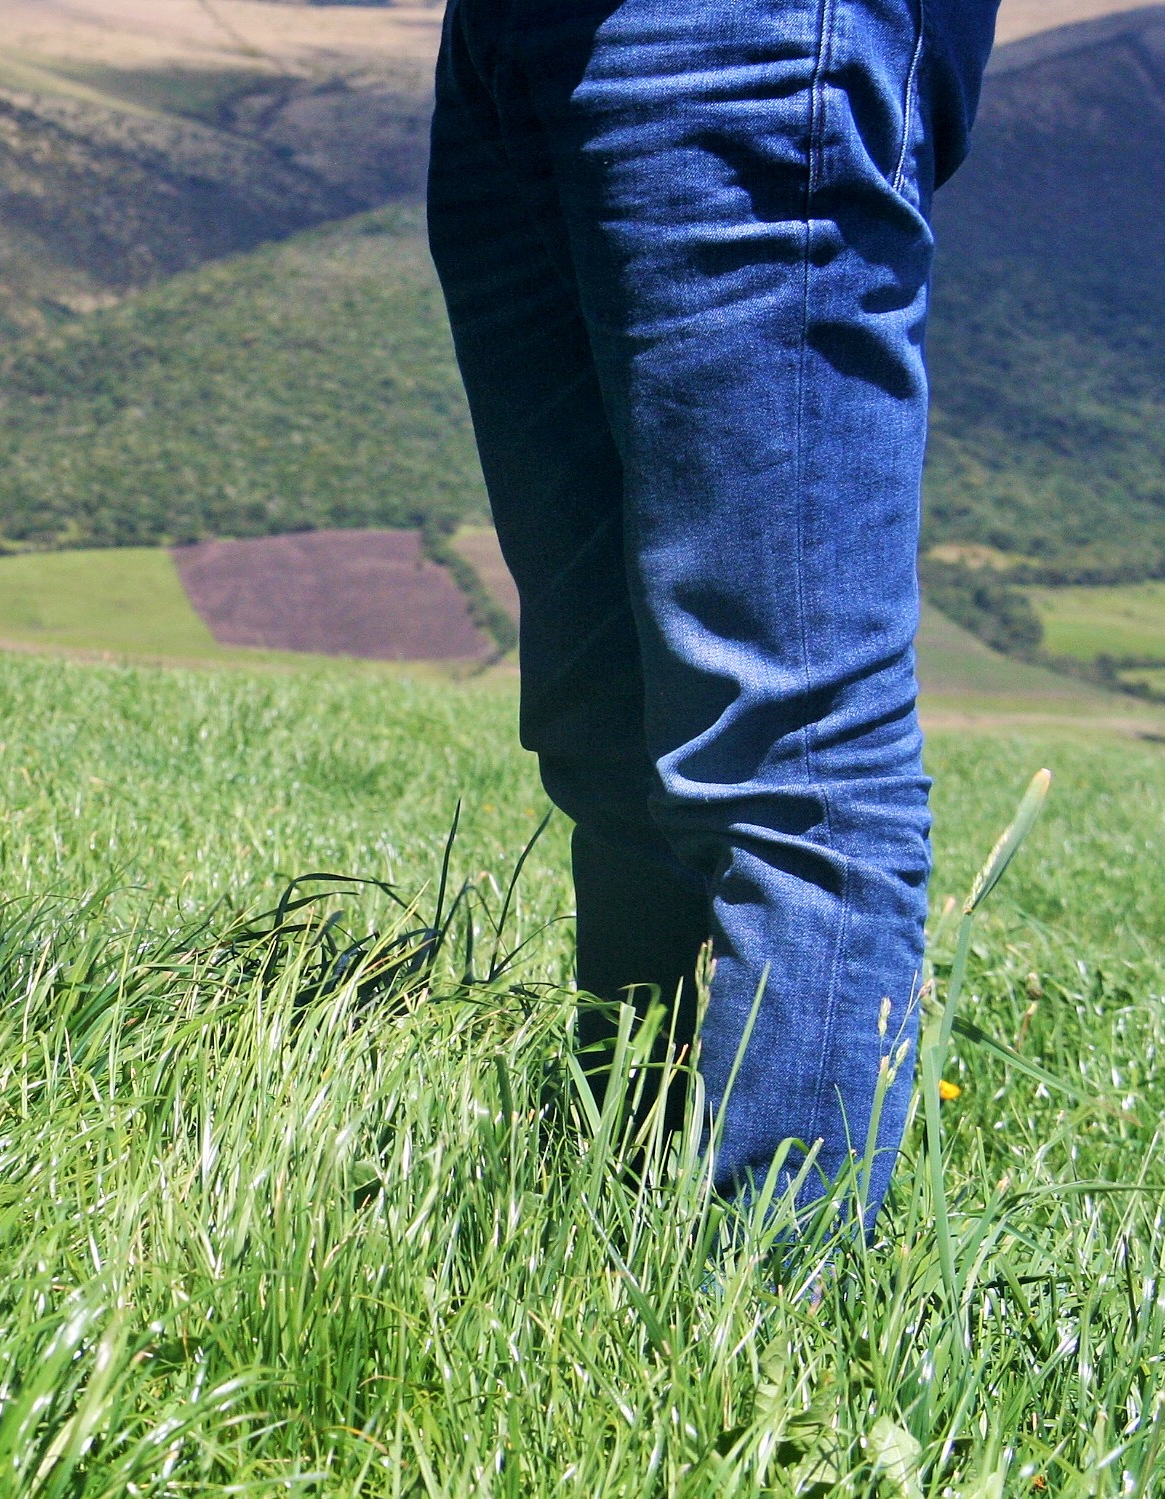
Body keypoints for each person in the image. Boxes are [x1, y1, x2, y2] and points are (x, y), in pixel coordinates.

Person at [427, 0, 1003, 1228]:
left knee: (781, 753)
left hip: (743, 23)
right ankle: (622, 1225)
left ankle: (758, 1348)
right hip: (515, 32)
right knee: (609, 721)